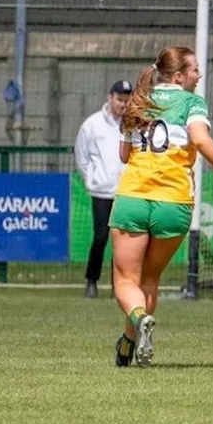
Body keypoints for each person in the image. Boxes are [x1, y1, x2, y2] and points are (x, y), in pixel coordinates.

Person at [110, 47, 213, 368]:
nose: (200, 75)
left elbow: (125, 156)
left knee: (126, 281)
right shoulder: (192, 103)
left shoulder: (139, 100)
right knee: (149, 279)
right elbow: (200, 139)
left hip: (134, 198)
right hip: (175, 201)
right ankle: (128, 343)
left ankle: (139, 319)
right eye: (195, 70)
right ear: (179, 76)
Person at [75, 79, 131, 298]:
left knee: (124, 243)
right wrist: (91, 179)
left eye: (127, 101)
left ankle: (120, 285)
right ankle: (92, 280)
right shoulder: (92, 125)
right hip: (102, 192)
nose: (123, 105)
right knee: (100, 237)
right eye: (119, 100)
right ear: (110, 97)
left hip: (126, 192)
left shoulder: (133, 123)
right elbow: (82, 156)